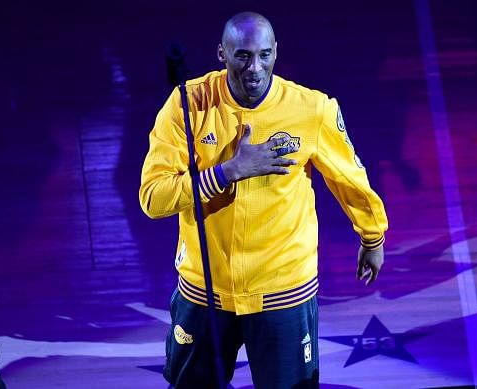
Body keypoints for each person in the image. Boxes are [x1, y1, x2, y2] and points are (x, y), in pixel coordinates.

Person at [139, 11, 388, 388]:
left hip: (283, 290)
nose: (254, 68)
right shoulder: (186, 107)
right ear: (221, 54)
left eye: (265, 55)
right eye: (242, 56)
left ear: (276, 53)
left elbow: (349, 178)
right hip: (205, 290)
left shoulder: (312, 109)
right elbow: (153, 198)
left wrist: (373, 235)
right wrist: (226, 172)